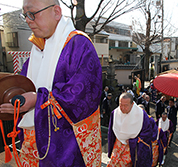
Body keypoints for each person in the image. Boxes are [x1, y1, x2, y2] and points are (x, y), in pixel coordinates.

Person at [0, 0, 102, 166]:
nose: (28, 19)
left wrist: (38, 100)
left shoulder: (79, 44)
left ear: (56, 12)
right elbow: (24, 84)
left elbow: (83, 97)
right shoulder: (38, 46)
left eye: (32, 13)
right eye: (25, 14)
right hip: (32, 137)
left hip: (67, 141)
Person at [108, 93, 154, 166]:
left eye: (126, 105)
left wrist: (134, 141)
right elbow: (111, 133)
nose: (122, 108)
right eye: (121, 105)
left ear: (132, 104)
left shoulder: (141, 115)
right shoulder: (115, 113)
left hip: (131, 148)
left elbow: (147, 134)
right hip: (117, 145)